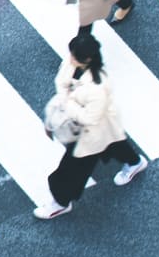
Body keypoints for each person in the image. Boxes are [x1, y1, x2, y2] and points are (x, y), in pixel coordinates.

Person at [40, 33, 146, 219]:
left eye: (74, 55)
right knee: (114, 144)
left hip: (89, 133)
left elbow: (89, 118)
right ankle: (135, 162)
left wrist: (67, 104)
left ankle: (61, 202)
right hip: (101, 127)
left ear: (87, 59)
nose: (70, 58)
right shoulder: (75, 64)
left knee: (72, 169)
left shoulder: (97, 87)